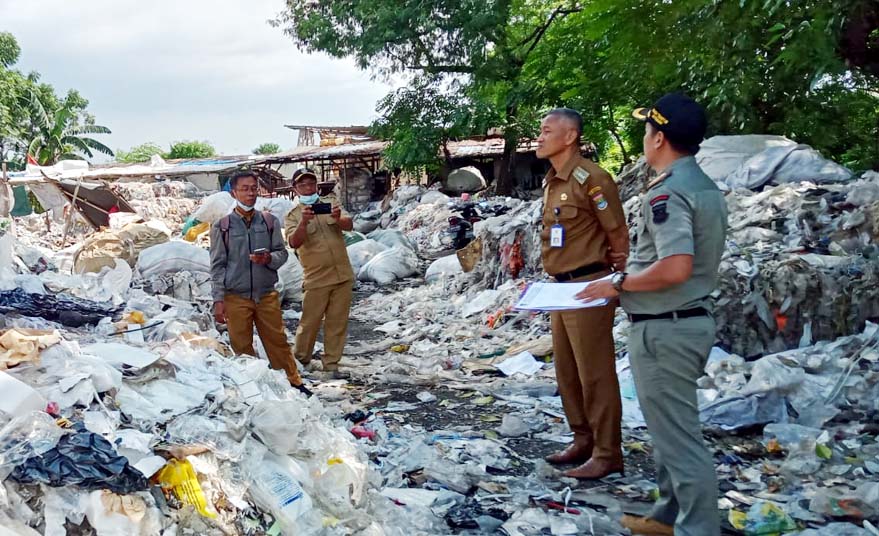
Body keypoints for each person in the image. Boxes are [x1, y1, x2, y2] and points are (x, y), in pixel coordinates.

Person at [578, 93, 727, 536]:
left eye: (646, 131)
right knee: (668, 433)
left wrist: (619, 284)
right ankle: (667, 517)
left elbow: (676, 265)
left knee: (679, 440)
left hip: (667, 328)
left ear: (659, 138)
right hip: (681, 322)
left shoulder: (669, 192)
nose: (644, 139)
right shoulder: (702, 185)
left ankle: (698, 528)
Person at [535, 108, 629, 480]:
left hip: (589, 284)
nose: (539, 138)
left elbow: (617, 234)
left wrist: (619, 280)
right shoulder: (553, 181)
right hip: (560, 287)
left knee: (595, 374)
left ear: (570, 136)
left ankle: (608, 452)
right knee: (567, 372)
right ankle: (582, 439)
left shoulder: (592, 178)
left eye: (546, 131)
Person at [210, 171, 311, 396]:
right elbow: (217, 265)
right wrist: (218, 300)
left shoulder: (268, 221)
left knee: (277, 342)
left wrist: (268, 259)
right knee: (242, 347)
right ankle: (255, 386)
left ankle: (292, 384)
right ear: (234, 192)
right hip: (235, 296)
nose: (250, 193)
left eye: (254, 188)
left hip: (266, 294)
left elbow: (282, 254)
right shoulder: (222, 227)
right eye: (245, 189)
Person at [284, 168, 355, 380]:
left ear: (317, 185)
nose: (308, 188)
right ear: (295, 189)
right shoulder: (293, 215)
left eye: (311, 183)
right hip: (316, 277)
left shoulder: (332, 203)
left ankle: (331, 364)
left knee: (337, 322)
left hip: (342, 274)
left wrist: (338, 218)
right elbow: (293, 242)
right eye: (302, 185)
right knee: (309, 322)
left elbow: (349, 225)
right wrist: (304, 223)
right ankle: (301, 359)